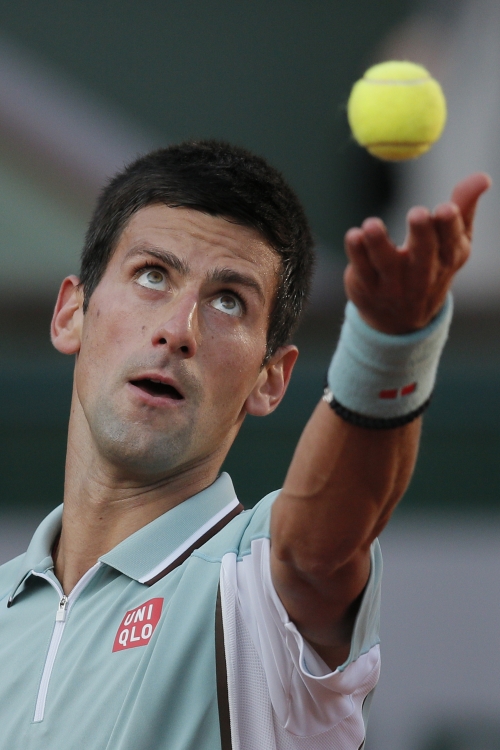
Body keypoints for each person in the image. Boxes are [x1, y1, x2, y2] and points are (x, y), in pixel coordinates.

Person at [0, 140, 490, 750]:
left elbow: (317, 555)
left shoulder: (254, 583)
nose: (177, 330)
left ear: (270, 379)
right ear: (72, 312)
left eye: (228, 301)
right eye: (152, 275)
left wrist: (389, 347)